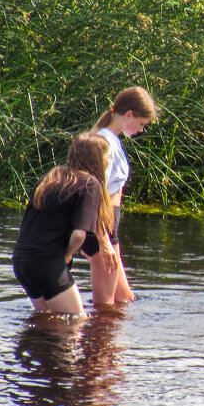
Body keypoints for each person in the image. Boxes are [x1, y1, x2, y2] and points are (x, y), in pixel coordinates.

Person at [13, 133, 118, 317]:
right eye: (107, 156)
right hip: (47, 262)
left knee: (46, 320)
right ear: (96, 158)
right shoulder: (89, 184)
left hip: (22, 260)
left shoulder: (51, 177)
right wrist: (68, 254)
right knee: (76, 322)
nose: (108, 161)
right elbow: (79, 235)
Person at [83, 86, 158, 306]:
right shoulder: (104, 143)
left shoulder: (112, 140)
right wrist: (103, 239)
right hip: (102, 229)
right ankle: (95, 340)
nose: (142, 130)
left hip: (109, 227)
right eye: (142, 124)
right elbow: (94, 194)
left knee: (123, 300)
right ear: (128, 115)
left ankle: (108, 341)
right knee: (105, 306)